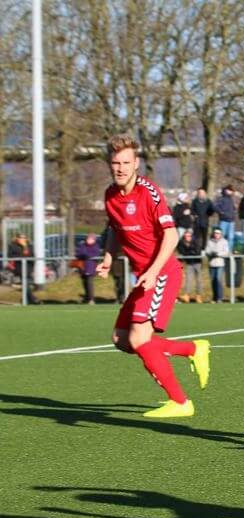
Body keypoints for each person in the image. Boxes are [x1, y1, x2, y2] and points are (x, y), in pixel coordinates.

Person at [95, 134, 210, 418]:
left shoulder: (149, 192)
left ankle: (181, 402)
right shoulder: (110, 195)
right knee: (121, 339)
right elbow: (114, 230)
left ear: (136, 164)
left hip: (162, 273)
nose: (120, 168)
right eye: (115, 162)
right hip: (144, 277)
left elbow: (171, 236)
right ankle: (192, 349)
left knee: (138, 337)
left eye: (126, 162)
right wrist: (108, 259)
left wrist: (153, 272)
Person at [176, 228, 203, 303]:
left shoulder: (196, 241)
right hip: (189, 263)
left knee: (199, 280)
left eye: (189, 236)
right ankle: (186, 295)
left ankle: (199, 296)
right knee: (188, 280)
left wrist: (189, 251)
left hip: (197, 263)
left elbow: (197, 251)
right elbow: (182, 251)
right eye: (186, 236)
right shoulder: (181, 242)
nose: (187, 237)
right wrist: (189, 252)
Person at [75, 233, 102, 304]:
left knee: (90, 283)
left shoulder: (96, 246)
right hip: (82, 267)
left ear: (94, 240)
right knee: (84, 283)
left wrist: (86, 255)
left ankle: (91, 299)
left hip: (91, 267)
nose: (88, 240)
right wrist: (85, 255)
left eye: (90, 238)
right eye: (88, 238)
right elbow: (78, 253)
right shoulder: (83, 245)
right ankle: (87, 298)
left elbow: (95, 254)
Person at [204, 227, 229, 303]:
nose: (216, 235)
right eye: (215, 233)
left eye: (218, 233)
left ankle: (219, 298)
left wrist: (218, 254)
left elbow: (226, 252)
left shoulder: (224, 241)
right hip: (212, 264)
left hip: (220, 264)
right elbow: (207, 251)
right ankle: (214, 297)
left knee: (218, 281)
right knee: (213, 281)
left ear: (220, 234)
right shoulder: (210, 241)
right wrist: (211, 253)